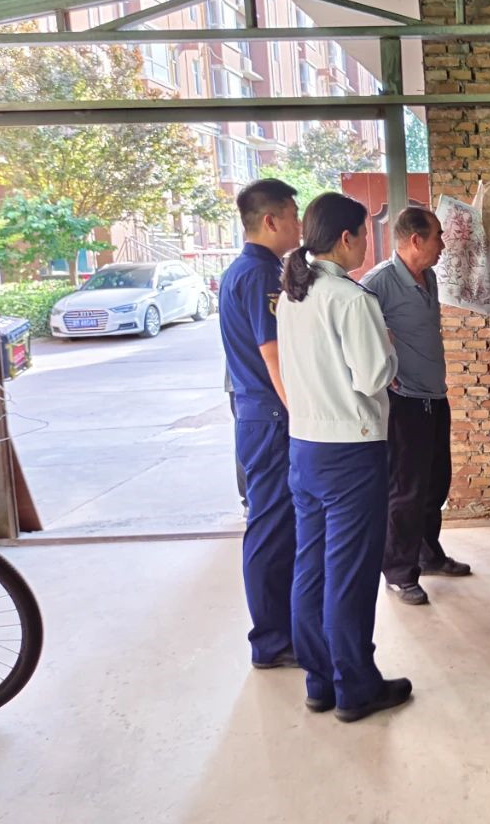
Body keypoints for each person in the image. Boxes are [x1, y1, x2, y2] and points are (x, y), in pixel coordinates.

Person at [277, 192, 410, 722]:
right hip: (351, 450)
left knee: (310, 569)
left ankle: (320, 680)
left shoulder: (293, 292)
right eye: (364, 234)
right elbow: (373, 376)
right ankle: (356, 687)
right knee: (350, 575)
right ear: (346, 237)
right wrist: (389, 345)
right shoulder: (351, 299)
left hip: (305, 444)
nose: (367, 245)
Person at [362, 207, 470, 606]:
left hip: (434, 397)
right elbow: (356, 333)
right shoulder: (377, 284)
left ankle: (428, 555)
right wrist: (379, 364)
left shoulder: (429, 278)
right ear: (415, 240)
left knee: (435, 483)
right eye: (438, 236)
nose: (443, 244)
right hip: (404, 401)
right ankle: (398, 572)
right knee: (406, 490)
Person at [218, 178, 302, 667]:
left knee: (279, 527)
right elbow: (274, 356)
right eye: (292, 215)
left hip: (261, 416)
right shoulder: (260, 275)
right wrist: (301, 417)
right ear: (270, 220)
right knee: (271, 529)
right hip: (271, 418)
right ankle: (271, 642)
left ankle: (283, 632)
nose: (298, 224)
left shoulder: (251, 270)